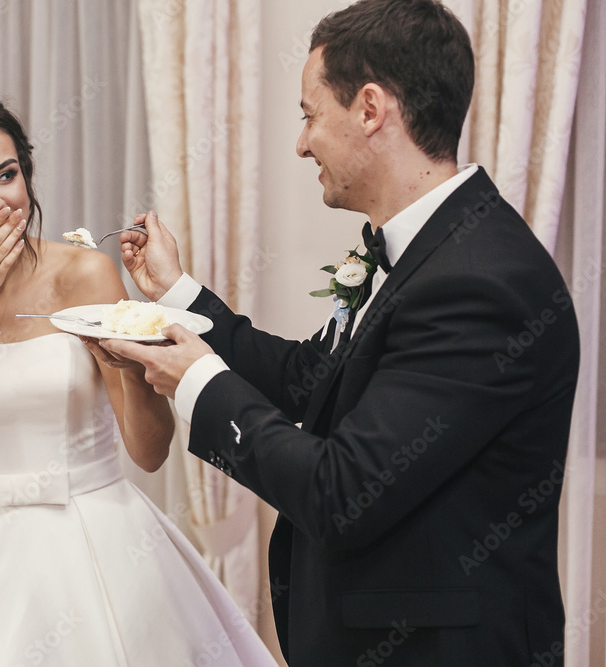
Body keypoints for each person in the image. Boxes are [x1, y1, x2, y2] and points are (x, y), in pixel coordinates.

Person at [101, 1, 581, 665]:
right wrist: (177, 293)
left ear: (370, 109)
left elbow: (345, 491)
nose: (301, 144)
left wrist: (198, 382)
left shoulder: (480, 282)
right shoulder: (426, 250)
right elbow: (311, 381)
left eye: (309, 114)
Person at [0, 90, 278, 666]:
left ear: (27, 177)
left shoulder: (86, 272)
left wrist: (133, 360)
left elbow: (149, 453)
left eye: (7, 175)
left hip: (100, 532)